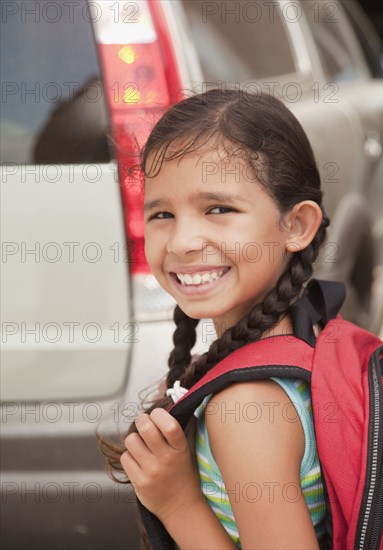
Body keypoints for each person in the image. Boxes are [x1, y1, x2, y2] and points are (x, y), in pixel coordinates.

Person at [98, 88, 330, 549]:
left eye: (218, 209)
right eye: (162, 213)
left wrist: (177, 500)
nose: (182, 241)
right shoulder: (303, 333)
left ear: (296, 225)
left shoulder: (245, 409)